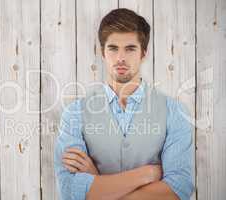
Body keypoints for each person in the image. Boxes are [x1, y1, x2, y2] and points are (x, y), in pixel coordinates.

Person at [54, 8, 194, 200]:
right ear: (102, 52)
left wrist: (97, 182)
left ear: (143, 53)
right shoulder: (75, 114)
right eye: (113, 48)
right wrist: (146, 174)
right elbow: (70, 191)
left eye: (130, 48)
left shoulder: (174, 112)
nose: (120, 58)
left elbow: (178, 190)